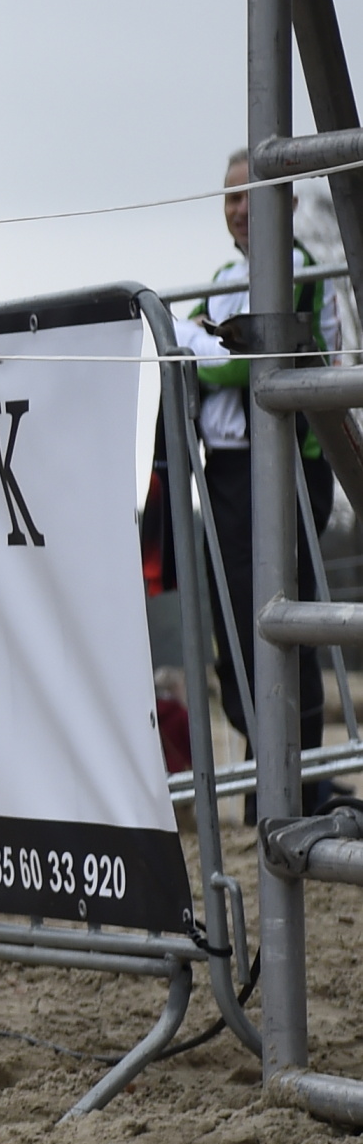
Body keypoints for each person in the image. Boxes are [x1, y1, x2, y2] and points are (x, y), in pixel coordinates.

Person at [181, 153, 343, 782]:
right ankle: (263, 777)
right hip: (226, 471)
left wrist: (197, 342)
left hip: (288, 467)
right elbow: (207, 353)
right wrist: (205, 345)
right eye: (232, 198)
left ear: (290, 204)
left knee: (283, 621)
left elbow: (239, 363)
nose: (241, 209)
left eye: (254, 194)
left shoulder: (299, 267)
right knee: (235, 627)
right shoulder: (224, 275)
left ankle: (298, 780)